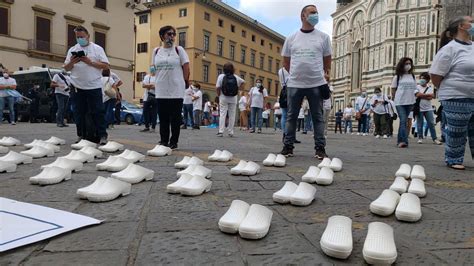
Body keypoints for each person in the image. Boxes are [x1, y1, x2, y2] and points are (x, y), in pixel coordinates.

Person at [280, 4, 332, 159]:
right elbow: (286, 61)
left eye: (316, 12)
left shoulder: (323, 37)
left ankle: (320, 148)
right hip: (295, 84)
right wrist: (298, 74)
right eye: (312, 13)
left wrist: (321, 75)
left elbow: (327, 61)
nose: (315, 15)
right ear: (303, 16)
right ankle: (288, 146)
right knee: (291, 116)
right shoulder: (291, 38)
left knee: (317, 117)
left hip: (316, 83)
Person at [430, 16, 474, 170]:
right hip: (455, 96)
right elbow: (435, 74)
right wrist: (447, 90)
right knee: (457, 130)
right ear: (462, 26)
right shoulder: (449, 48)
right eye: (472, 21)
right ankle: (454, 158)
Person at [64, 26, 110, 144]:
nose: (80, 39)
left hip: (93, 85)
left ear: (88, 36)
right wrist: (72, 62)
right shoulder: (72, 49)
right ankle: (81, 136)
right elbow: (66, 68)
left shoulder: (97, 49)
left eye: (82, 37)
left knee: (98, 112)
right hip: (76, 86)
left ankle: (102, 135)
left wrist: (89, 62)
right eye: (77, 37)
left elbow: (105, 66)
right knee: (78, 112)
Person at [152, 25, 190, 149]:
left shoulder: (179, 50)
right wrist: (153, 75)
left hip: (176, 88)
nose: (172, 36)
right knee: (163, 117)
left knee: (175, 117)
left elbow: (186, 66)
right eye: (169, 34)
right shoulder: (156, 51)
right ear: (162, 36)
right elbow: (153, 67)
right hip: (161, 88)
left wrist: (185, 81)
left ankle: (173, 142)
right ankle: (163, 140)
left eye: (174, 34)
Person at [391, 57, 417, 148]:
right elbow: (393, 89)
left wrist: (415, 99)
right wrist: (394, 99)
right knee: (403, 120)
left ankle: (399, 140)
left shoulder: (412, 76)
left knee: (404, 121)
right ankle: (404, 141)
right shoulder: (397, 77)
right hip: (400, 102)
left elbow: (415, 88)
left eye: (409, 63)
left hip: (410, 102)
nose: (408, 65)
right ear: (402, 65)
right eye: (406, 63)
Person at [216, 62, 245, 137]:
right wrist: (238, 89)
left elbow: (218, 87)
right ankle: (230, 131)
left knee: (223, 114)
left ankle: (221, 131)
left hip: (223, 97)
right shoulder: (235, 77)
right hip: (233, 98)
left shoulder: (221, 76)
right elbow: (243, 82)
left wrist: (219, 94)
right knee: (232, 115)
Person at [415, 72, 442, 145]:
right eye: (421, 78)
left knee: (431, 123)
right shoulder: (417, 87)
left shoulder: (430, 87)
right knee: (419, 124)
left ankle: (434, 139)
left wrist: (421, 95)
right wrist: (426, 95)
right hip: (419, 108)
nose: (421, 80)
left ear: (427, 80)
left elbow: (431, 97)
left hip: (428, 108)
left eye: (423, 78)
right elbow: (417, 94)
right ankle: (420, 137)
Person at [141, 67, 158, 132]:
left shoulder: (157, 77)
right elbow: (143, 85)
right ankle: (146, 126)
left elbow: (157, 86)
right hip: (147, 97)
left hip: (155, 97)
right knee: (145, 112)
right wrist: (151, 85)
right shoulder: (147, 77)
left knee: (154, 112)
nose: (152, 71)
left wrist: (148, 86)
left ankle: (153, 127)